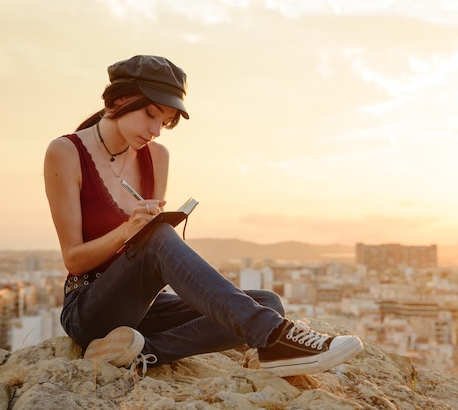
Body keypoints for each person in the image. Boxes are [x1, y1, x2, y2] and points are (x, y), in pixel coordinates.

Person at [43, 55, 363, 377]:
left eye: (165, 122)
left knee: (267, 302)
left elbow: (145, 254)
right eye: (151, 114)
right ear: (120, 99)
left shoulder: (157, 157)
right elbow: (74, 260)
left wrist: (146, 231)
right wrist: (129, 230)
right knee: (157, 237)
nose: (156, 131)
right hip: (89, 309)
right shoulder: (66, 152)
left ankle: (145, 354)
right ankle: (275, 337)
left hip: (145, 307)